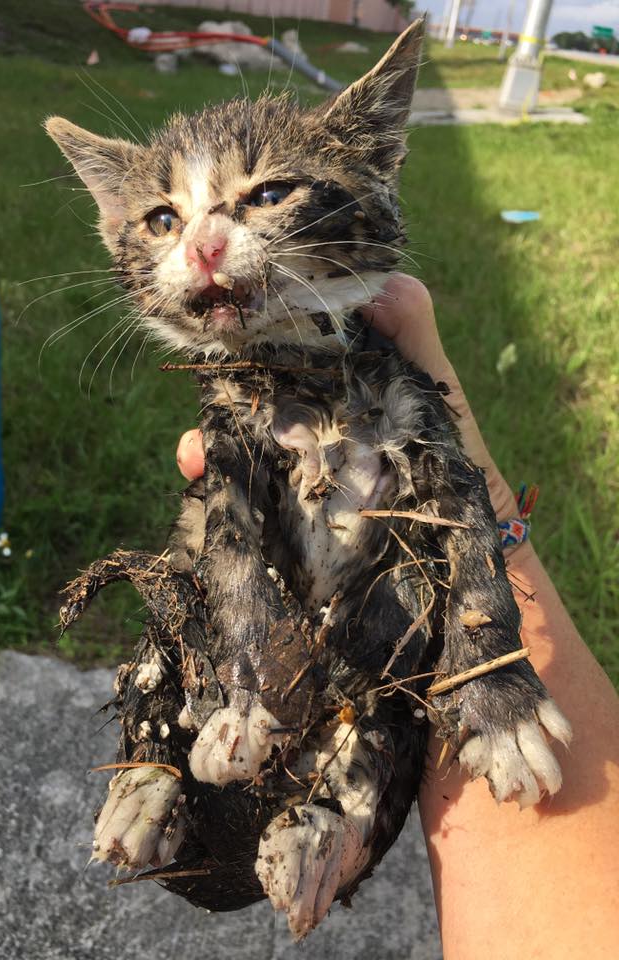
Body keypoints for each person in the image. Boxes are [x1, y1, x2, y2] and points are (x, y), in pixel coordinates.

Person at [175, 274, 619, 958]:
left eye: (264, 196)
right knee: (202, 548)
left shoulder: (381, 367)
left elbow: (460, 494)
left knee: (390, 699)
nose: (207, 254)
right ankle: (165, 767)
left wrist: (491, 669)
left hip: (381, 648)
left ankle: (343, 816)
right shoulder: (236, 386)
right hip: (262, 674)